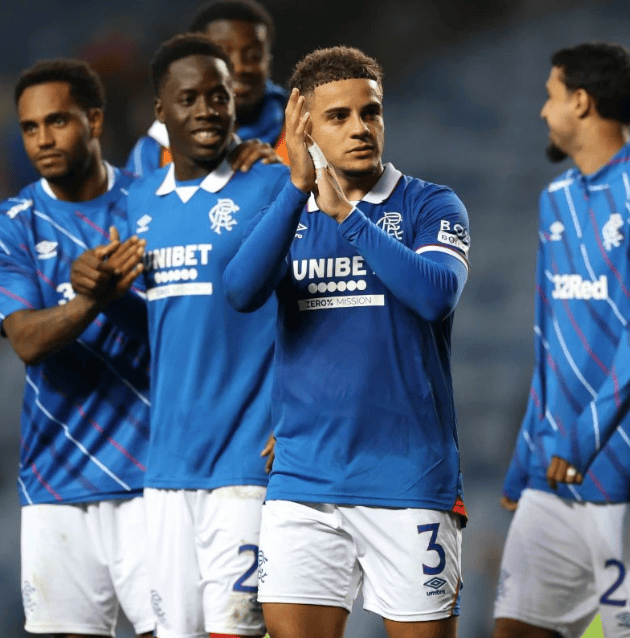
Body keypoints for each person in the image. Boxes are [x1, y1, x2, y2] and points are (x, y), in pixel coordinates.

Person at [224, 45, 470, 638]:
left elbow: (436, 294)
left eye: (371, 112)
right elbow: (240, 291)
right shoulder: (287, 213)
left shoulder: (430, 203)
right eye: (338, 116)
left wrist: (347, 218)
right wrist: (297, 190)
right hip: (304, 483)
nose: (360, 127)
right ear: (304, 128)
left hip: (409, 480)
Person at [491, 42, 630, 638]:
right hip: (555, 468)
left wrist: (585, 435)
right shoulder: (555, 199)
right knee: (515, 630)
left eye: (551, 95)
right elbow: (549, 338)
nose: (544, 110)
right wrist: (525, 458)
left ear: (581, 102)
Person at [89, 33, 287, 638]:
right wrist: (105, 297)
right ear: (161, 111)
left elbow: (315, 308)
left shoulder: (272, 186)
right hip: (169, 467)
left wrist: (300, 413)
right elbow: (155, 326)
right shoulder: (136, 203)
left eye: (218, 96)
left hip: (247, 462)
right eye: (190, 98)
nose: (207, 109)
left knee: (237, 632)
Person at [0, 58, 154, 638]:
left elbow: (179, 332)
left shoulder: (151, 205)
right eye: (29, 128)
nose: (43, 139)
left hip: (152, 476)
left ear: (94, 120)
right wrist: (92, 299)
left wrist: (108, 299)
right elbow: (27, 340)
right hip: (55, 482)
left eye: (57, 121)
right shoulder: (11, 224)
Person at [127, 0, 287, 176]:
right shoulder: (155, 150)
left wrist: (281, 178)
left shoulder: (301, 132)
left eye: (253, 56)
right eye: (223, 54)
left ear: (268, 61)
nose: (240, 67)